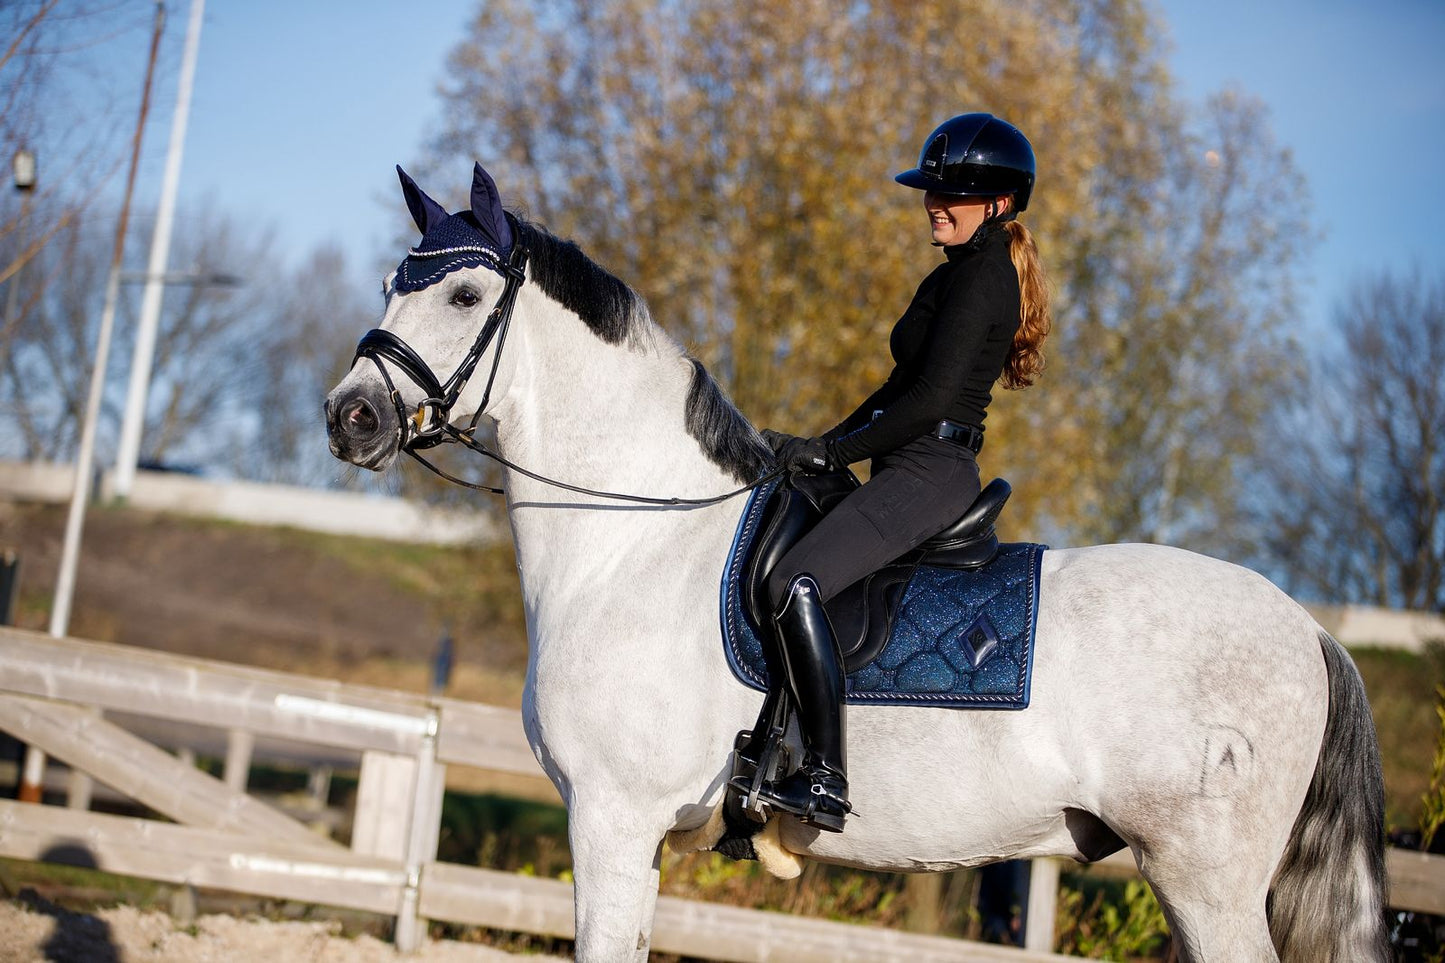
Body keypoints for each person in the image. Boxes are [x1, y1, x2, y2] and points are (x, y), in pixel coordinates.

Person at [755, 113, 1052, 832]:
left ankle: (824, 775)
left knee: (793, 582)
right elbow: (897, 386)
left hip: (933, 468)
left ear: (999, 203)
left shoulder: (982, 278)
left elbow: (924, 402)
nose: (933, 202)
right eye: (929, 189)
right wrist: (820, 443)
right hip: (906, 459)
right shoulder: (949, 275)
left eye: (951, 193)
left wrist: (836, 453)